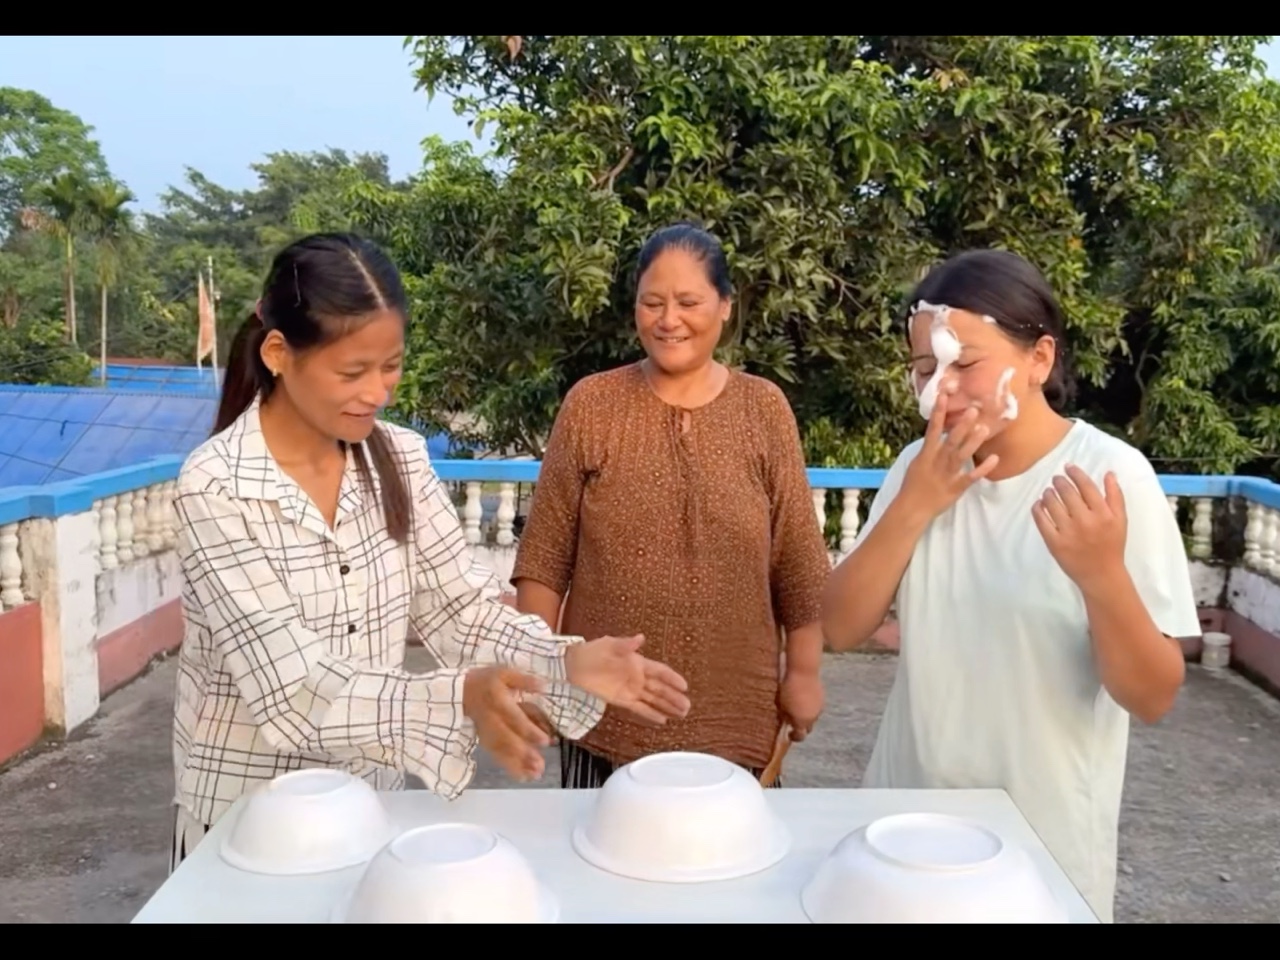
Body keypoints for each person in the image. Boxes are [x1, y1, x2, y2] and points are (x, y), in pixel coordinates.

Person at [167, 232, 691, 873]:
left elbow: (461, 610)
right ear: (278, 352)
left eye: (390, 366)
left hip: (366, 810)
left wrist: (564, 662)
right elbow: (293, 689)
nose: (378, 391)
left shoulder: (400, 458)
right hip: (245, 827)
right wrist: (461, 696)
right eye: (352, 371)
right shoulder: (217, 486)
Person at [822, 248, 1201, 923]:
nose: (941, 389)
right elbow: (838, 627)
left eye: (965, 363)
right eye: (923, 368)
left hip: (1040, 854)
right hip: (902, 831)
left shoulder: (1110, 478)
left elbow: (1151, 695)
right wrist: (914, 505)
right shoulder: (918, 465)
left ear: (1039, 359)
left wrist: (1102, 575)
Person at [511, 222, 832, 789]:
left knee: (732, 868)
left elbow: (799, 562)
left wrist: (803, 672)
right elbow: (544, 561)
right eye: (652, 302)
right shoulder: (591, 404)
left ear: (726, 306)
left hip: (738, 715)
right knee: (605, 861)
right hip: (606, 718)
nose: (668, 319)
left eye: (688, 302)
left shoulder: (764, 409)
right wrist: (539, 674)